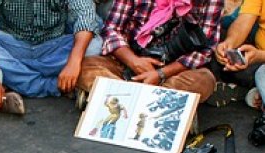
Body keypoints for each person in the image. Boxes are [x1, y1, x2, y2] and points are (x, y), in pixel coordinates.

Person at [0, 0, 102, 109]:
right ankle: (56, 85)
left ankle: (16, 80)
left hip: (52, 47)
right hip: (13, 46)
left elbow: (86, 14)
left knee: (94, 44)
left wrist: (74, 62)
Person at [77, 0, 221, 103]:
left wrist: (160, 73)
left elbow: (206, 49)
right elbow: (112, 29)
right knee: (83, 66)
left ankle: (118, 98)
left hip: (175, 70)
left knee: (203, 81)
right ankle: (163, 103)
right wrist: (134, 62)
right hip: (129, 61)